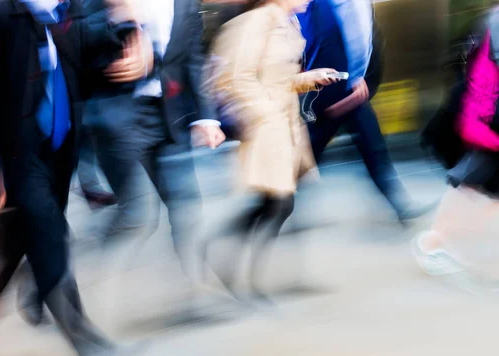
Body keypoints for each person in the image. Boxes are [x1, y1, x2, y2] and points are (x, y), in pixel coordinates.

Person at [0, 0, 142, 356]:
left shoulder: (65, 13)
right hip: (14, 161)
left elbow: (84, 73)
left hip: (56, 157)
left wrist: (127, 41)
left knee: (17, 252)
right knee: (50, 241)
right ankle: (89, 348)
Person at [83, 0, 225, 302]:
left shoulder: (185, 5)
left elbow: (192, 59)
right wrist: (113, 19)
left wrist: (206, 116)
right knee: (137, 213)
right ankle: (84, 286)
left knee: (186, 205)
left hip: (168, 117)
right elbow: (73, 32)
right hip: (118, 115)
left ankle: (199, 288)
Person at [203, 0, 339, 302]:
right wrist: (265, 115)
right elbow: (236, 77)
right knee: (278, 201)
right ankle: (238, 271)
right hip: (268, 127)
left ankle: (227, 259)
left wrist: (309, 79)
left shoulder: (286, 22)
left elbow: (276, 78)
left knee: (278, 203)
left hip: (286, 125)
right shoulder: (256, 22)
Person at [297, 0, 425, 222]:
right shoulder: (320, 6)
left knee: (372, 147)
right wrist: (355, 78)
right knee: (311, 153)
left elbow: (365, 39)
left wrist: (360, 79)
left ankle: (399, 205)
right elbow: (348, 39)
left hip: (345, 90)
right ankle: (273, 202)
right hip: (331, 92)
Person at [413, 12, 499, 276]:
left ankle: (433, 243)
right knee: (470, 182)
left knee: (476, 186)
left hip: (483, 120)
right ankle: (431, 244)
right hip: (485, 121)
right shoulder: (494, 24)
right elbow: (482, 82)